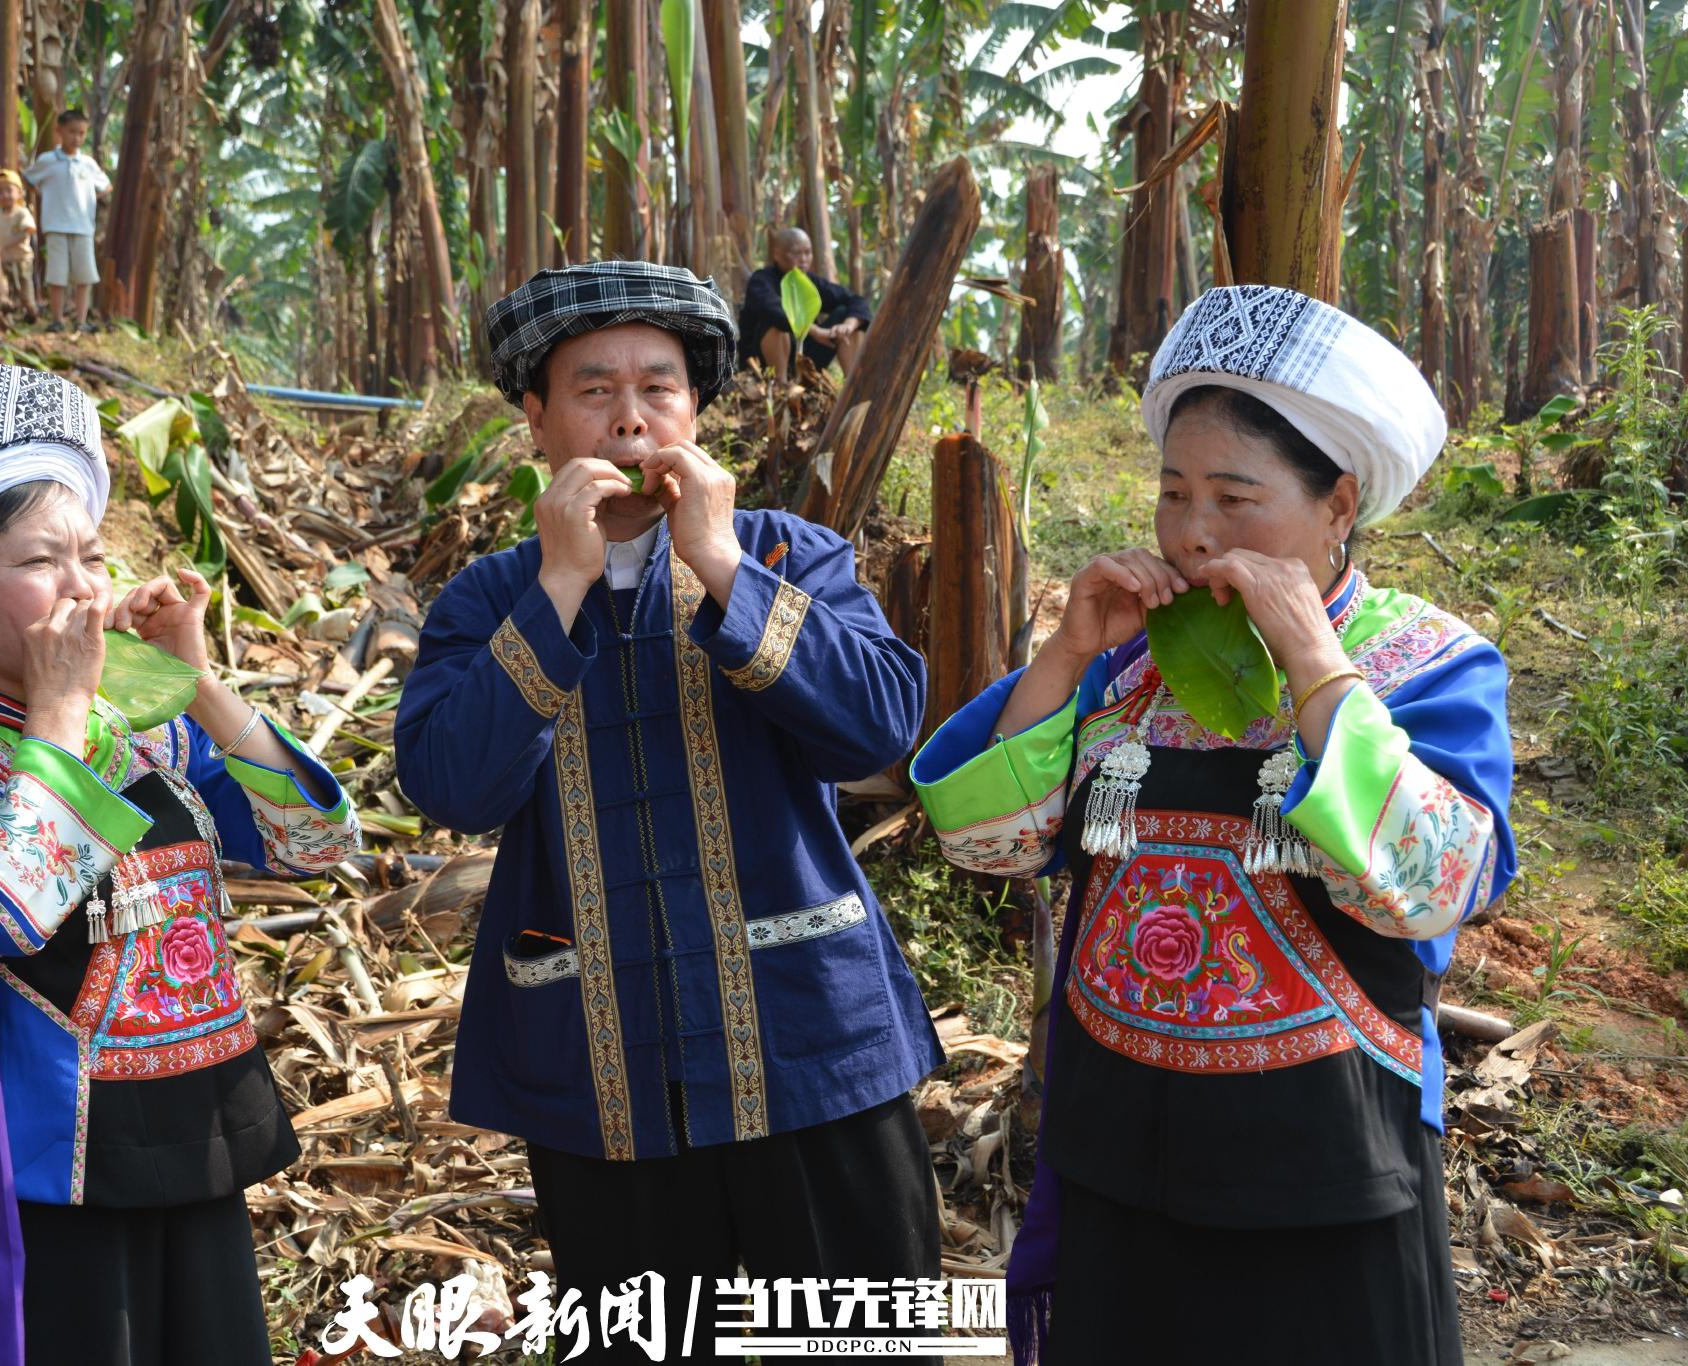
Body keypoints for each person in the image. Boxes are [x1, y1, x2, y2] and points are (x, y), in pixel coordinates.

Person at [911, 285, 1517, 1366]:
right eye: (1173, 492)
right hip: (1116, 1141)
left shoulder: (1426, 662)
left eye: (1235, 498)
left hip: (1318, 1161)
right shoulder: (1127, 664)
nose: (1192, 535)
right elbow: (986, 842)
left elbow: (1431, 883)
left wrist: (1313, 666)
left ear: (1337, 506)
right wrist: (1063, 652)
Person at [396, 261, 944, 1363]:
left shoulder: (791, 554)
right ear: (536, 419)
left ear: (696, 413)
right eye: (593, 389)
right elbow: (453, 785)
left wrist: (719, 562)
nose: (631, 416)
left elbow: (878, 726)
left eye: (659, 386)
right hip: (601, 1074)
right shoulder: (487, 597)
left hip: (809, 1052)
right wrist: (559, 584)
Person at [0, 365, 361, 1364]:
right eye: (42, 560)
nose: (82, 584)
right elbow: (5, 901)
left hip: (198, 1137)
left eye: (90, 553)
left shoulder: (153, 738)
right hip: (23, 1178)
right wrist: (62, 716)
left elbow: (317, 845)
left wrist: (197, 683)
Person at [736, 227, 871, 380]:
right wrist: (817, 332)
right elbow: (774, 311)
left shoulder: (811, 282)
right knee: (776, 323)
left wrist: (847, 326)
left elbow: (856, 300)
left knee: (845, 313)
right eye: (796, 253)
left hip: (805, 359)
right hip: (764, 365)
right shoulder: (760, 280)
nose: (803, 259)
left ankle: (852, 385)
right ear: (777, 255)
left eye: (807, 252)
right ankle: (782, 387)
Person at [22, 109, 110, 333]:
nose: (77, 138)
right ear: (59, 130)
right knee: (57, 276)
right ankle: (57, 320)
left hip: (83, 228)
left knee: (84, 276)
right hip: (55, 226)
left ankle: (81, 322)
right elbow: (29, 179)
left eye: (81, 133)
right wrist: (42, 195)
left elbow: (106, 186)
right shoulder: (48, 161)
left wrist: (90, 197)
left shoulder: (88, 164)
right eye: (72, 132)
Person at [0, 173, 40, 319]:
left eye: (9, 190)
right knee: (7, 289)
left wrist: (6, 244)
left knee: (24, 286)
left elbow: (28, 231)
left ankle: (31, 310)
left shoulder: (22, 212)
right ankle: (9, 314)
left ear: (20, 193)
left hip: (22, 259)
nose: (5, 195)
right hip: (3, 260)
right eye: (0, 192)